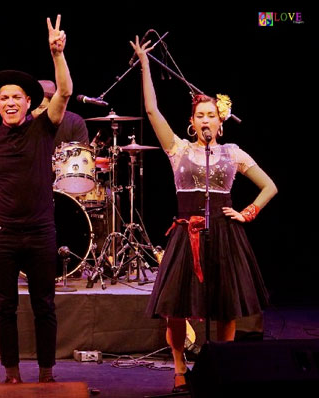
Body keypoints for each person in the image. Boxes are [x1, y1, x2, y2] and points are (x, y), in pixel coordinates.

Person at [130, 36, 277, 393]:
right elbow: (152, 111)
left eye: (212, 115)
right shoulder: (177, 150)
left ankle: (222, 360)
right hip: (186, 233)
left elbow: (270, 186)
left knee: (225, 306)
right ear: (192, 122)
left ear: (220, 122)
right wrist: (146, 65)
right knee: (175, 308)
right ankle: (180, 365)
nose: (206, 120)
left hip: (225, 233)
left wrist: (247, 213)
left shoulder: (233, 152)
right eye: (200, 116)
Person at [0, 15, 72, 384]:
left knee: (45, 305)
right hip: (4, 236)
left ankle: (46, 373)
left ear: (29, 103)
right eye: (4, 98)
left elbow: (65, 92)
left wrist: (57, 54)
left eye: (16, 97)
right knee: (3, 307)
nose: (10, 102)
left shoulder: (43, 128)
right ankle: (11, 374)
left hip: (41, 233)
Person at [32, 79, 89, 147]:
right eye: (33, 107)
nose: (36, 112)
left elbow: (82, 154)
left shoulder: (75, 122)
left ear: (53, 104)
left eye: (41, 107)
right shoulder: (25, 123)